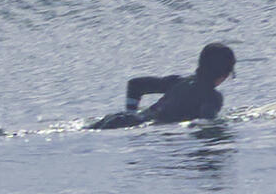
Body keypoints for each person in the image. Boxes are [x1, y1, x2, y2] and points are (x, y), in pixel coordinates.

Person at [96, 41, 238, 128]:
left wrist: (130, 112)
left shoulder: (177, 81)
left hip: (121, 119)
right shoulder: (212, 97)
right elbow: (206, 122)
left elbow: (135, 84)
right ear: (224, 74)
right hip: (135, 125)